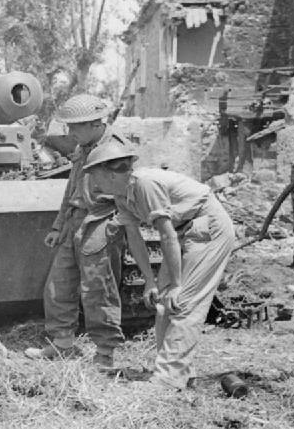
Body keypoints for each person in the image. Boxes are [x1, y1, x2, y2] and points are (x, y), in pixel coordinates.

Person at [82, 144, 236, 390]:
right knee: (164, 306)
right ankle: (179, 372)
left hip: (208, 227)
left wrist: (175, 284)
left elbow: (165, 235)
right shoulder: (122, 195)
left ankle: (168, 378)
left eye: (94, 174)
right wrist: (150, 282)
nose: (92, 181)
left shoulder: (145, 184)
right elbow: (134, 237)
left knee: (183, 303)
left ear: (109, 174)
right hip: (183, 231)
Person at [27, 94, 130, 370]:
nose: (70, 133)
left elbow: (127, 194)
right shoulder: (84, 146)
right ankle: (62, 343)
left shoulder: (115, 149)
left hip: (100, 220)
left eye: (75, 127)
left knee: (99, 289)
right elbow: (71, 188)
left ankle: (105, 353)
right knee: (58, 285)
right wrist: (58, 226)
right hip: (74, 220)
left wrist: (114, 226)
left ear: (96, 123)